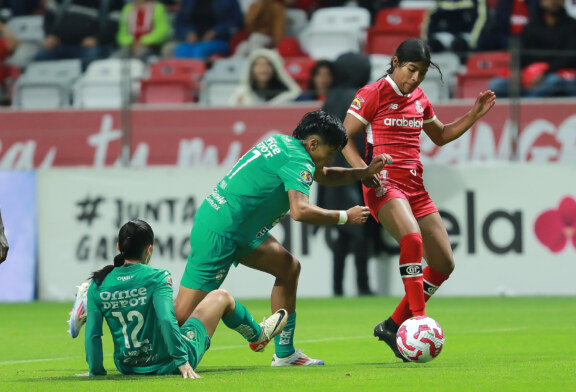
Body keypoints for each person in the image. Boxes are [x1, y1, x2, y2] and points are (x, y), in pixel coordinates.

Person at [174, 110, 390, 366]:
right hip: (221, 232)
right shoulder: (299, 160)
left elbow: (324, 174)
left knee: (289, 267)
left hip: (238, 228)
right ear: (313, 144)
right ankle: (142, 350)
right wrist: (345, 216)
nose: (331, 158)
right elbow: (300, 211)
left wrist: (363, 172)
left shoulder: (284, 144)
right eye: (330, 152)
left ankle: (285, 353)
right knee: (181, 315)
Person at [341, 38, 495, 361]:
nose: (415, 79)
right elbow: (344, 136)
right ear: (395, 62)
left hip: (415, 187)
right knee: (411, 239)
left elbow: (440, 135)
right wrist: (362, 170)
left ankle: (392, 324)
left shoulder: (420, 98)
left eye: (422, 73)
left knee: (443, 263)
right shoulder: (373, 93)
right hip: (382, 184)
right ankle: (419, 321)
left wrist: (473, 115)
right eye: (412, 70)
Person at [70, 219, 288, 378]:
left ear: (119, 248)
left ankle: (258, 336)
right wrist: (181, 362)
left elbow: (93, 335)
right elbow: (166, 319)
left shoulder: (98, 284)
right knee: (221, 297)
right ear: (150, 249)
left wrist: (95, 371)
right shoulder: (157, 277)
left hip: (127, 366)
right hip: (168, 363)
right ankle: (258, 335)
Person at [317, 52, 376, 296]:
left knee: (342, 231)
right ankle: (362, 285)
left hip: (332, 172)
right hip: (356, 170)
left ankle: (338, 287)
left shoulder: (330, 100)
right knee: (360, 228)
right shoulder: (361, 97)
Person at [487, 0, 576, 98]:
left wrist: (545, 73)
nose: (553, 2)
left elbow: (569, 58)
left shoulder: (572, 26)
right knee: (497, 84)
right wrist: (517, 70)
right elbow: (520, 52)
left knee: (553, 81)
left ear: (564, 2)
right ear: (541, 2)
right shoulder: (531, 25)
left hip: (556, 74)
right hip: (530, 74)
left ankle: (525, 105)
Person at [35, 0, 124, 69]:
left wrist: (97, 39)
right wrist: (50, 35)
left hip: (91, 48)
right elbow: (49, 16)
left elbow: (114, 25)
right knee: (42, 55)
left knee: (93, 57)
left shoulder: (113, 1)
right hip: (59, 44)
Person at [172, 0, 244, 60]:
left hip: (221, 40)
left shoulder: (229, 1)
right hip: (194, 41)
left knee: (200, 50)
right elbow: (179, 23)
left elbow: (237, 22)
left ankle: (197, 76)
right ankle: (183, 76)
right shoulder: (189, 2)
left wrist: (216, 31)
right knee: (181, 50)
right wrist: (188, 32)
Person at [231, 48, 301, 105]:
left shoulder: (290, 97)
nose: (263, 68)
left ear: (275, 68)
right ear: (251, 69)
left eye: (268, 64)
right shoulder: (242, 96)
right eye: (258, 64)